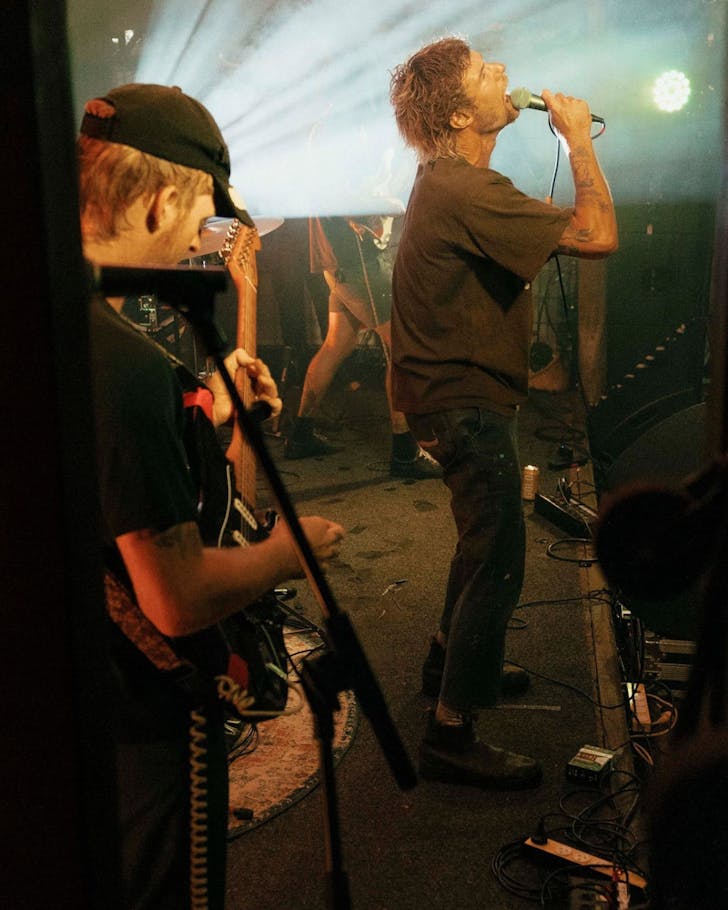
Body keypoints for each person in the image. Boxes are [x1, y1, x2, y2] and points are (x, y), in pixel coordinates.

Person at [78, 83, 344, 909]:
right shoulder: (122, 363)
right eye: (204, 218)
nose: (211, 242)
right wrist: (286, 555)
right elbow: (176, 597)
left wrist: (208, 409)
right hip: (142, 712)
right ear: (160, 203)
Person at [389, 37, 617, 788]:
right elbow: (598, 233)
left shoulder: (456, 181)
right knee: (499, 556)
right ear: (460, 115)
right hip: (464, 404)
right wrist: (580, 142)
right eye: (487, 75)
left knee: (480, 538)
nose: (506, 76)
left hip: (447, 396)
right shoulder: (466, 188)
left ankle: (444, 663)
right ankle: (451, 735)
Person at [283, 214, 441, 478]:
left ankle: (300, 436)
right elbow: (355, 203)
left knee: (336, 346)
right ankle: (405, 453)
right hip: (361, 264)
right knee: (401, 351)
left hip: (340, 265)